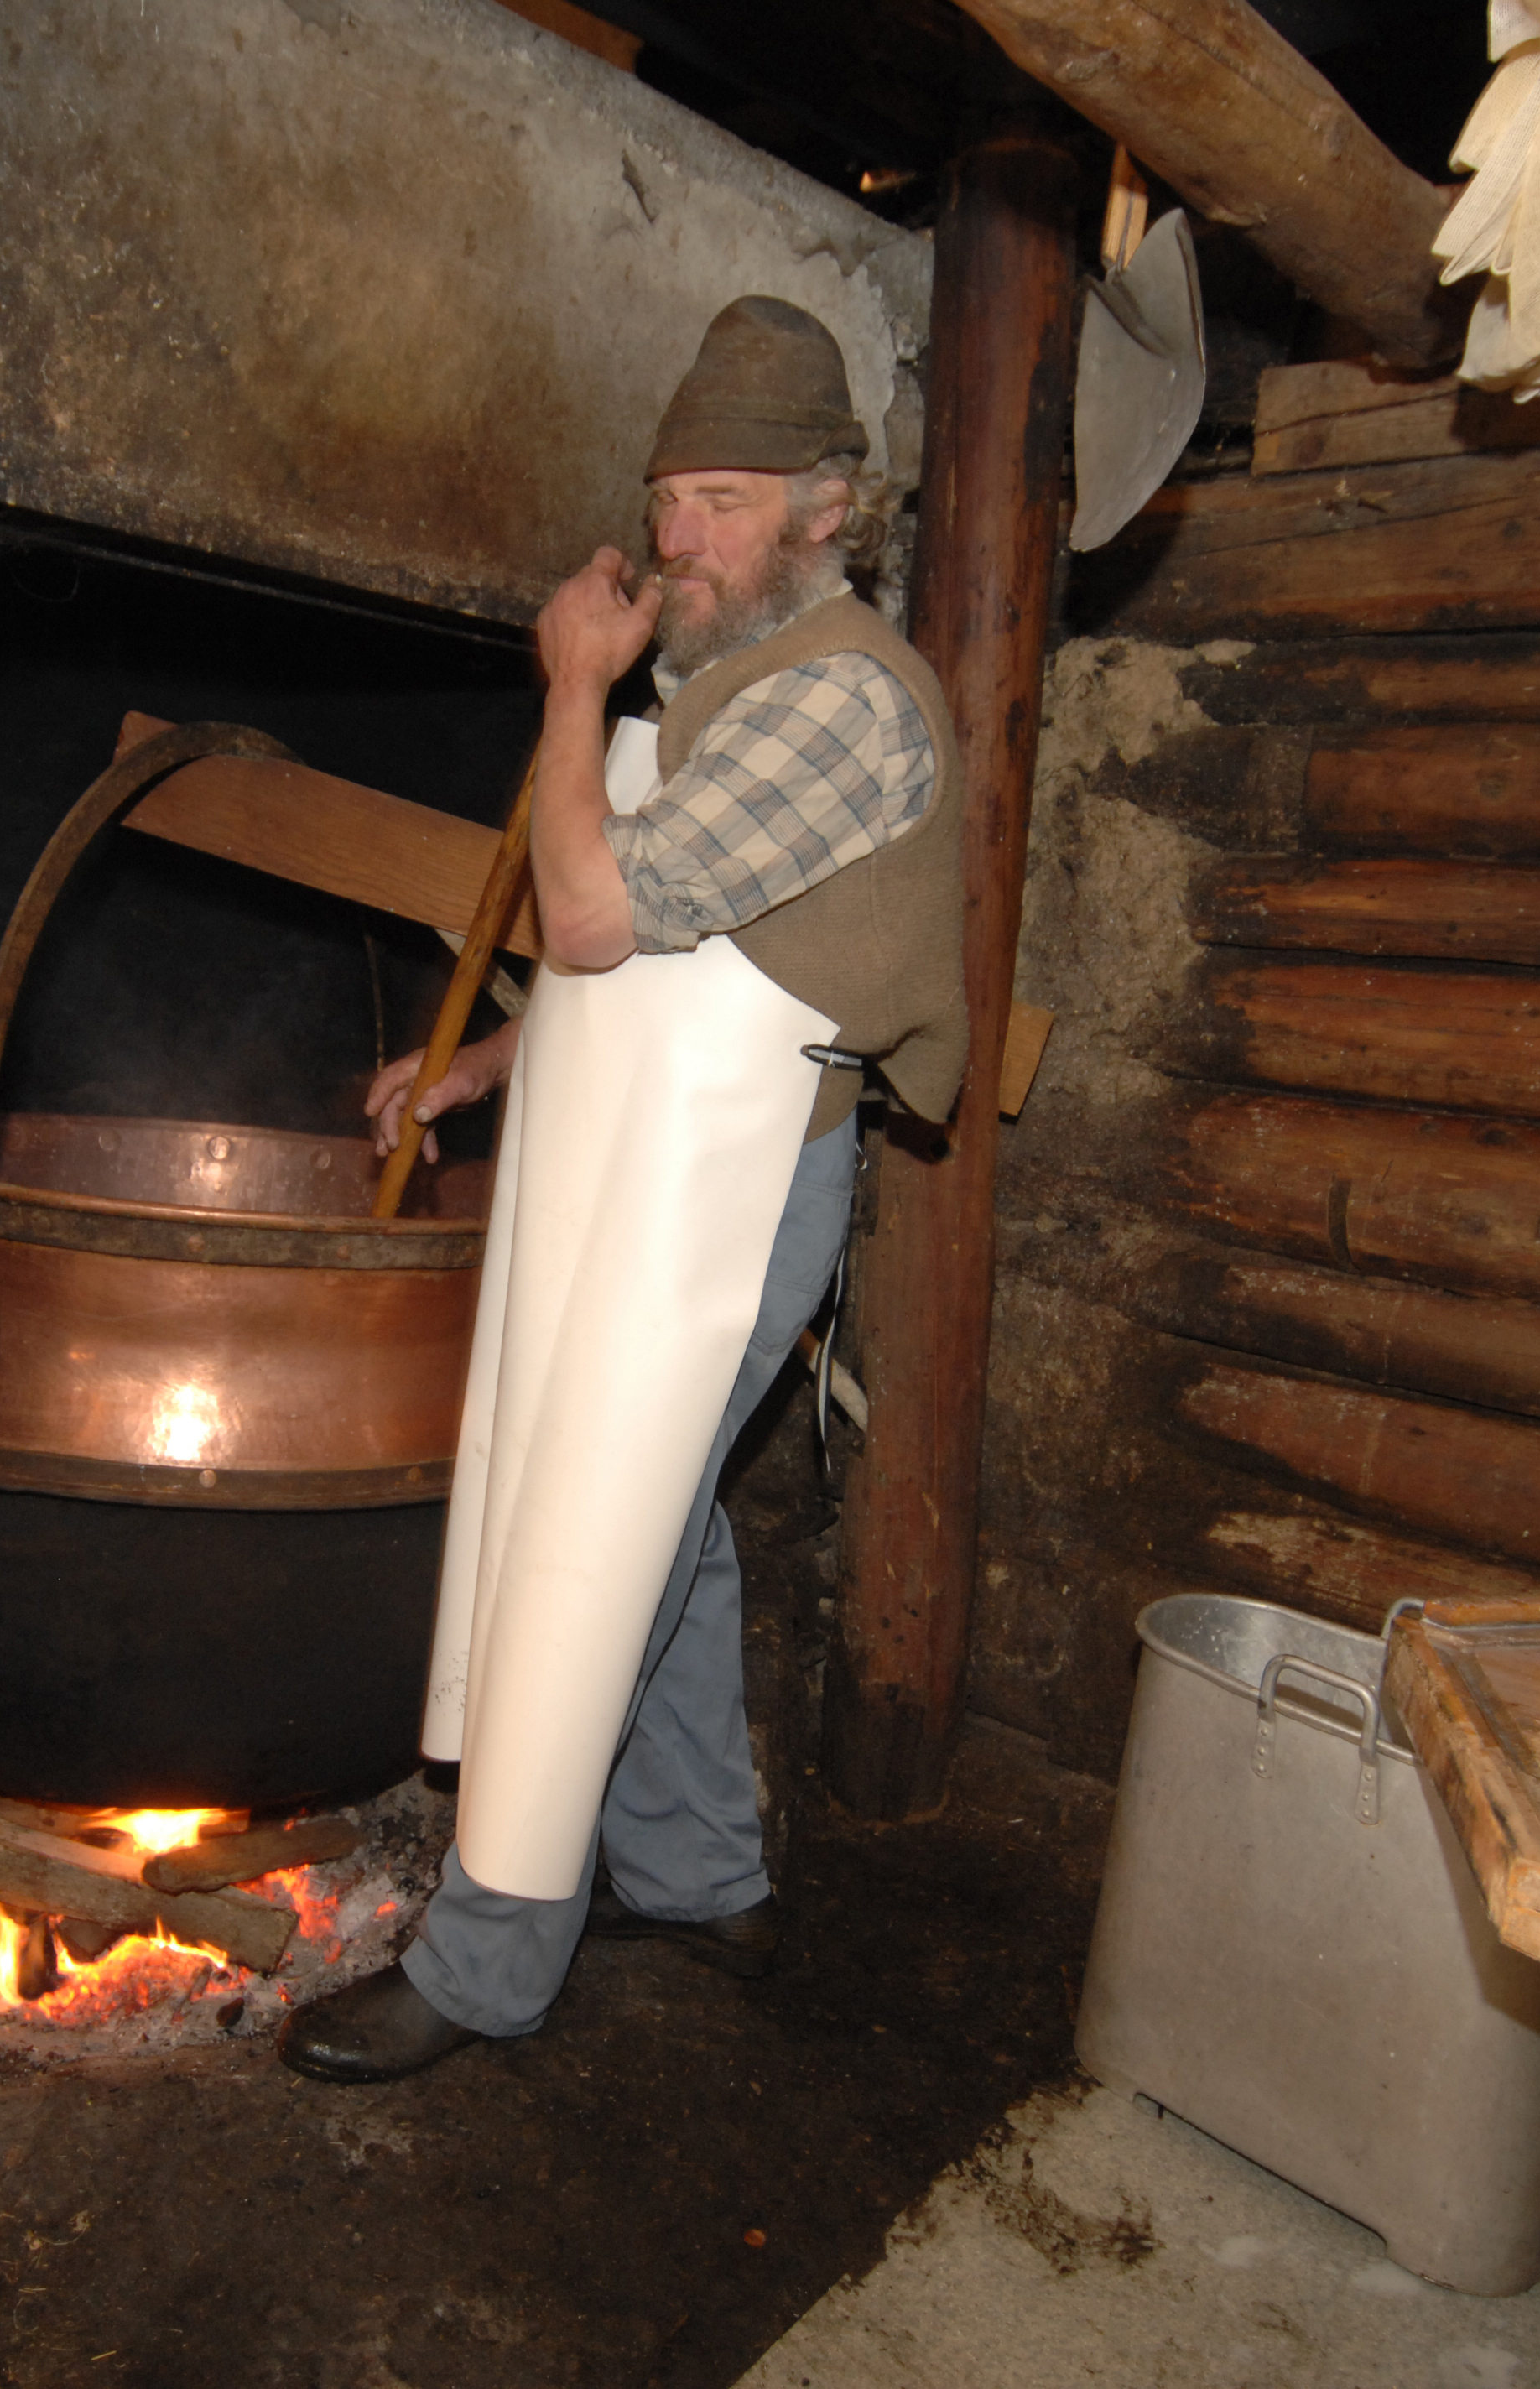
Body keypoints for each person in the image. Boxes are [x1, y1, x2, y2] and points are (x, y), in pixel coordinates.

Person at [279, 295, 968, 2085]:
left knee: (599, 1538)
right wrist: (483, 1068)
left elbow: (584, 912)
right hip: (626, 1160)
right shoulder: (713, 698)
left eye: (723, 500)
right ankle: (701, 1867)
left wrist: (569, 688)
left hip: (728, 1201)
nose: (676, 541)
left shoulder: (845, 707)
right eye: (665, 497)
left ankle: (487, 1960)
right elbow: (643, 967)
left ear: (830, 503)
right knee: (658, 1514)